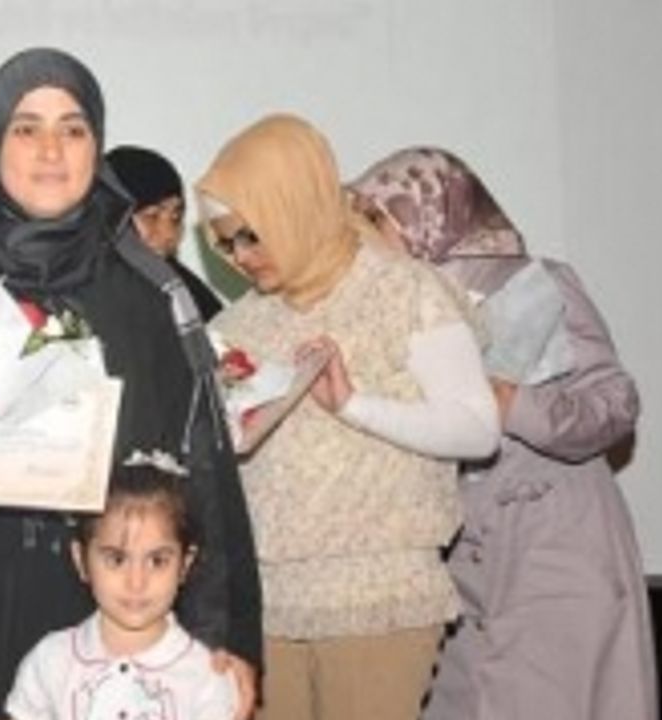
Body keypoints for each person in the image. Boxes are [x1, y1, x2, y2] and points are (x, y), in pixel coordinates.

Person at [0, 47, 262, 720]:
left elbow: (202, 470)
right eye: (26, 128)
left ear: (98, 146)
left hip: (120, 612)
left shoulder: (151, 297)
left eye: (74, 129)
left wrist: (220, 637)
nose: (51, 151)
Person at [196, 114, 500, 720]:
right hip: (268, 598)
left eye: (251, 234)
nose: (241, 258)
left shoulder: (406, 291)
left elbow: (478, 428)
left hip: (380, 592)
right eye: (225, 244)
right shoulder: (235, 324)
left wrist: (354, 406)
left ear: (294, 205)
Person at [350, 147, 657, 720]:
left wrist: (514, 404)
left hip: (553, 546)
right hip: (455, 555)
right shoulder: (391, 310)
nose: (364, 241)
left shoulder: (534, 285)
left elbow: (615, 404)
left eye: (375, 220)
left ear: (428, 213)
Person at [0, 459, 241, 720]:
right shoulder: (51, 660)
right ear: (81, 560)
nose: (136, 581)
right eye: (116, 558)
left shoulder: (206, 677)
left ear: (185, 564)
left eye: (157, 560)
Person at [105, 145, 224, 320]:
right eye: (151, 216)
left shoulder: (194, 297)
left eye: (176, 218)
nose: (169, 234)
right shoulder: (77, 297)